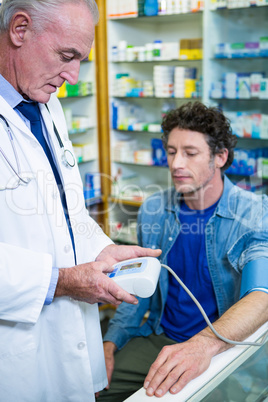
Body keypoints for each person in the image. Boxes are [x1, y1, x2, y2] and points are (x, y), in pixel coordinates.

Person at [0, 1, 161, 401]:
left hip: (66, 341)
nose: (72, 77)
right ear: (20, 29)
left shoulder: (48, 105)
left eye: (80, 60)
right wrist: (61, 281)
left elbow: (66, 211)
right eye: (66, 55)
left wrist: (104, 248)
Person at [100, 102, 268, 401]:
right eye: (171, 151)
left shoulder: (254, 213)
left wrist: (202, 346)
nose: (177, 163)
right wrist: (110, 344)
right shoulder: (154, 210)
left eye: (190, 153)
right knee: (97, 390)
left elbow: (262, 296)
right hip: (161, 340)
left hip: (222, 346)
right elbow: (138, 291)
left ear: (220, 157)